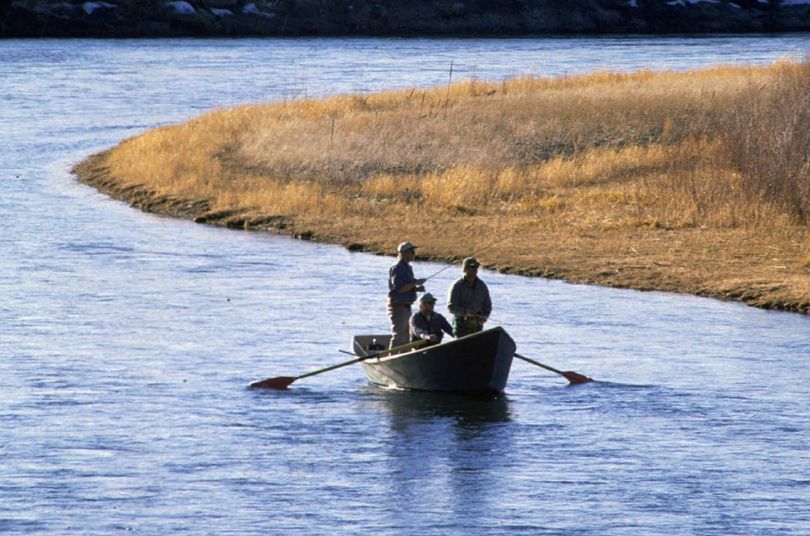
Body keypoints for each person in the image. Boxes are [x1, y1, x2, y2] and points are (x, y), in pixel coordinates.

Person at [387, 241, 426, 349]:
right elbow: (399, 289)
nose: (414, 253)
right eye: (411, 251)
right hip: (398, 306)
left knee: (406, 335)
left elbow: (406, 287)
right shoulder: (398, 268)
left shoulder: (407, 268)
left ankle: (401, 358)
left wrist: (417, 288)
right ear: (403, 253)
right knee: (399, 335)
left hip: (405, 306)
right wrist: (415, 283)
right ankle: (392, 360)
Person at [447, 257, 492, 338]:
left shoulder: (482, 285)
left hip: (477, 327)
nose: (475, 269)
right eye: (472, 267)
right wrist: (465, 312)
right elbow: (451, 307)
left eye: (476, 267)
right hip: (461, 326)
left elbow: (488, 305)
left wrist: (485, 317)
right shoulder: (457, 285)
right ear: (465, 269)